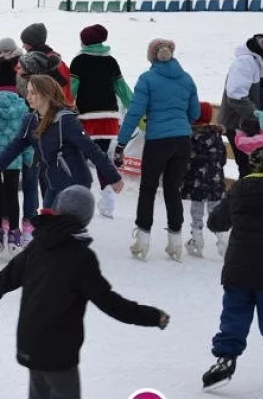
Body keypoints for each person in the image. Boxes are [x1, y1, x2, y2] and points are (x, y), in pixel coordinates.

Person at [0, 186, 169, 399]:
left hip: (29, 343)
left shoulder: (39, 244)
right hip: (58, 353)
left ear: (57, 209)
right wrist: (152, 316)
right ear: (85, 219)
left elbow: (10, 273)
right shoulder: (81, 258)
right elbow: (110, 302)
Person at [202, 146, 263, 391]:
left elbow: (216, 222)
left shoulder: (238, 189)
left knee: (234, 315)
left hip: (238, 270)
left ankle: (225, 360)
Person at [116, 39, 200, 262]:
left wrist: (121, 143)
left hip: (157, 141)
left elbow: (134, 113)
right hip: (182, 140)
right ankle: (175, 241)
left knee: (148, 188)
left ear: (151, 56)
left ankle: (142, 239)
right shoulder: (187, 78)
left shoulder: (147, 79)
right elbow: (195, 112)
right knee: (173, 189)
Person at [0, 75, 122, 209]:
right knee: (49, 222)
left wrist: (113, 176)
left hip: (75, 183)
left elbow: (91, 149)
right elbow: (15, 146)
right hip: (54, 182)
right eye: (28, 92)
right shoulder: (31, 120)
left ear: (46, 94)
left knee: (59, 225)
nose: (28, 97)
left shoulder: (65, 121)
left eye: (33, 93)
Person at [69, 24, 132, 220]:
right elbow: (122, 88)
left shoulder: (78, 61)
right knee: (102, 158)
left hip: (86, 118)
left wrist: (63, 106)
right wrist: (137, 107)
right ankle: (108, 202)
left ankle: (79, 201)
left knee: (79, 160)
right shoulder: (111, 61)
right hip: (109, 117)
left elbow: (72, 88)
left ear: (84, 41)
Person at [0, 58, 34, 259]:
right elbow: (28, 133)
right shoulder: (22, 105)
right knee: (12, 195)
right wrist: (28, 156)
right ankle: (13, 234)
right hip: (13, 158)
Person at [219, 25, 263, 178]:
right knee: (249, 170)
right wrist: (259, 116)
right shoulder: (246, 62)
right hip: (240, 124)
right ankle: (242, 201)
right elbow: (235, 97)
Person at [180, 102, 227, 258]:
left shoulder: (190, 136)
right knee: (215, 210)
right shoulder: (216, 135)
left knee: (197, 210)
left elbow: (187, 158)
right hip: (215, 180)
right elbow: (222, 158)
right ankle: (222, 238)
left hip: (196, 182)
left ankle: (197, 236)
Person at [20, 23, 73, 105]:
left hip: (51, 109)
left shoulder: (36, 64)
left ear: (32, 43)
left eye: (25, 43)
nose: (23, 46)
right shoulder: (57, 61)